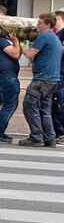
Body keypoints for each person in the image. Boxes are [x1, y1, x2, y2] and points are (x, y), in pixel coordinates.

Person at [20, 13, 62, 147]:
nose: (37, 25)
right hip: (53, 79)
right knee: (45, 109)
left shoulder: (44, 37)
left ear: (48, 24)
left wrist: (20, 45)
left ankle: (36, 137)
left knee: (29, 106)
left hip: (42, 79)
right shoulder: (55, 38)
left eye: (40, 23)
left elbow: (30, 54)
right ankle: (49, 138)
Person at [0, 28, 22, 143]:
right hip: (7, 76)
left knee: (9, 104)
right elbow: (16, 54)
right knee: (9, 105)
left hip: (3, 76)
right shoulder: (0, 40)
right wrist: (16, 41)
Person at [54, 10, 64, 140]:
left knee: (59, 103)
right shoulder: (57, 34)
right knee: (54, 103)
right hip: (56, 71)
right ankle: (57, 131)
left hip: (61, 72)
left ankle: (61, 132)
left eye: (55, 19)